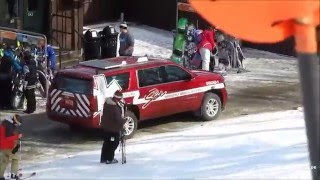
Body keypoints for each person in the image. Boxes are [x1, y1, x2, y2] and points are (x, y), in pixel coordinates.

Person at [100, 91, 126, 164]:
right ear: (119, 98)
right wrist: (124, 120)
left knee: (106, 143)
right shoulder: (114, 107)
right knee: (114, 143)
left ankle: (103, 158)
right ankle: (109, 159)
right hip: (113, 129)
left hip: (106, 127)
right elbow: (118, 119)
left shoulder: (107, 103)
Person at [0, 114, 22, 180]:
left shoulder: (4, 122)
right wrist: (18, 136)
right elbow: (8, 138)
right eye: (17, 123)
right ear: (14, 120)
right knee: (16, 159)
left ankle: (0, 176)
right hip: (9, 146)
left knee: (4, 161)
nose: (16, 125)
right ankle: (14, 175)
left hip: (2, 146)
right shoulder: (9, 125)